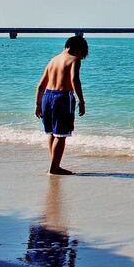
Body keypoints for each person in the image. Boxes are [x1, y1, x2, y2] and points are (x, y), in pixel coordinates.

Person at [35, 36, 88, 175]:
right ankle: (55, 167)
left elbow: (40, 85)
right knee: (61, 134)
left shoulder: (53, 60)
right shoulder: (74, 60)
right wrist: (81, 101)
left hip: (47, 96)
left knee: (52, 132)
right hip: (63, 97)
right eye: (82, 54)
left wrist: (38, 104)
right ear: (79, 49)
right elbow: (75, 80)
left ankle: (53, 164)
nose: (80, 57)